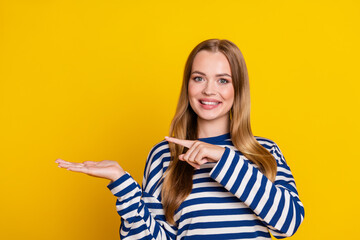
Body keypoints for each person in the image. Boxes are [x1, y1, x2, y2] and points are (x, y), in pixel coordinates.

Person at [56, 39, 305, 239]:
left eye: (222, 80)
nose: (209, 90)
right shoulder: (164, 156)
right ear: (187, 85)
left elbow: (288, 223)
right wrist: (123, 185)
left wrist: (224, 157)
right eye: (199, 78)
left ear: (237, 89)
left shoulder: (263, 152)